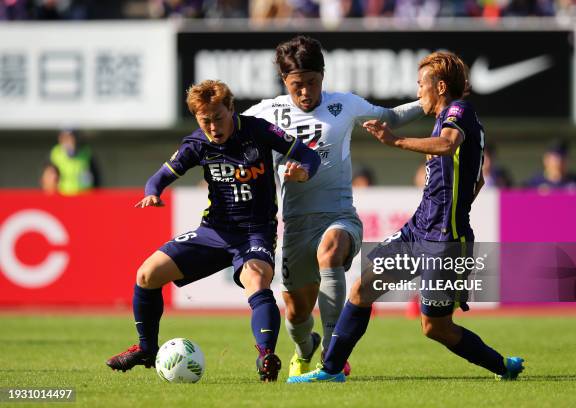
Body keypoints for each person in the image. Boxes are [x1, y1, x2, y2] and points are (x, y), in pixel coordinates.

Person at [288, 51, 524, 383]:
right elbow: (478, 179)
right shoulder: (446, 118)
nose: (418, 93)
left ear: (440, 86)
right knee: (361, 289)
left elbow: (447, 145)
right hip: (418, 231)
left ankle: (503, 366)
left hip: (445, 240)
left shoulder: (459, 111)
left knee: (435, 327)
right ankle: (331, 370)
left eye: (421, 85)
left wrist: (395, 140)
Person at [105, 80, 321, 382]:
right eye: (204, 120)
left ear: (231, 108)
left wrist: (304, 171)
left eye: (218, 117)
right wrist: (153, 192)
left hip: (254, 233)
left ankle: (266, 357)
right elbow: (159, 178)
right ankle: (145, 349)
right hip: (214, 232)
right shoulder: (196, 144)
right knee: (147, 274)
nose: (213, 126)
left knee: (256, 280)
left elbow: (308, 155)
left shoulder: (258, 130)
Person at [243, 35, 423, 378]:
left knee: (331, 250)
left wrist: (426, 103)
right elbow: (228, 130)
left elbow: (390, 116)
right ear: (285, 82)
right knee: (295, 316)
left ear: (323, 77)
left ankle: (332, 352)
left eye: (312, 83)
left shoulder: (344, 104)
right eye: (298, 85)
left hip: (339, 214)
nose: (306, 92)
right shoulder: (267, 113)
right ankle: (305, 348)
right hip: (295, 224)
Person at [48, 129, 101, 195]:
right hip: (62, 197)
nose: (68, 141)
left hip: (83, 197)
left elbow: (96, 178)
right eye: (65, 137)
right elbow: (48, 178)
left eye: (71, 137)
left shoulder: (86, 153)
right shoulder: (55, 154)